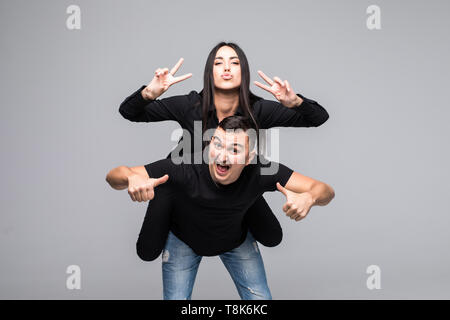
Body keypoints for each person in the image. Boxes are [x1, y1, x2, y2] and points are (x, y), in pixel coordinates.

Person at [118, 42, 330, 260]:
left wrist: (295, 102)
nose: (226, 68)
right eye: (218, 63)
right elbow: (129, 112)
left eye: (234, 62)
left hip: (235, 183)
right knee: (148, 249)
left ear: (244, 72)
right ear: (210, 73)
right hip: (183, 183)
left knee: (272, 236)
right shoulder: (190, 105)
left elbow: (318, 118)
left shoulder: (257, 109)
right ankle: (181, 221)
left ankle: (240, 201)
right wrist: (148, 94)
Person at [106, 116, 335, 299]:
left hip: (235, 239)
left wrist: (310, 198)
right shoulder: (184, 167)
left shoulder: (262, 169)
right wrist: (130, 178)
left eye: (234, 150)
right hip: (184, 239)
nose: (221, 156)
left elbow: (324, 190)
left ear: (249, 159)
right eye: (217, 145)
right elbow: (114, 176)